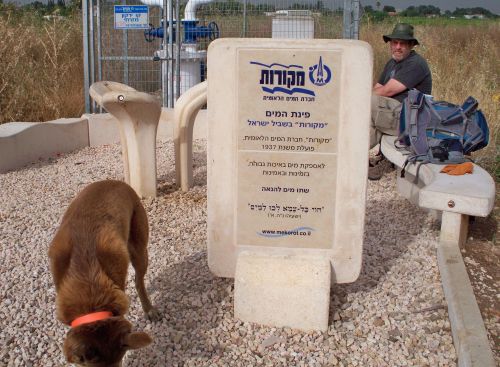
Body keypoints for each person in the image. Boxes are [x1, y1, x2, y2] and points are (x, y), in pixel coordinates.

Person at [369, 23, 432, 180]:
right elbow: (377, 87)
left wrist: (357, 98)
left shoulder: (415, 63)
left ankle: (357, 159)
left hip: (409, 119)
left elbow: (386, 91)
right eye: (394, 43)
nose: (397, 47)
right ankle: (356, 159)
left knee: (367, 104)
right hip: (391, 113)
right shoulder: (392, 63)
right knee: (366, 113)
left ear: (411, 45)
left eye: (402, 43)